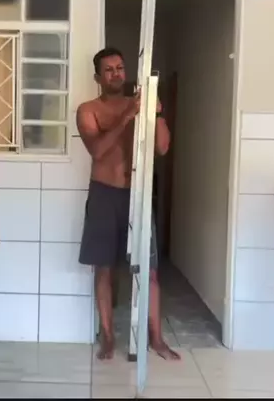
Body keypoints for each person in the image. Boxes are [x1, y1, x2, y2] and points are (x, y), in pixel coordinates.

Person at [76, 47, 178, 361]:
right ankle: (108, 337)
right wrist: (126, 117)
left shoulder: (141, 105)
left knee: (149, 269)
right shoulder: (88, 110)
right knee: (104, 268)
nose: (116, 74)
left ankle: (156, 339)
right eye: (108, 70)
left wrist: (155, 113)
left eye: (119, 68)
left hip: (137, 194)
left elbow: (162, 147)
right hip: (104, 193)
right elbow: (97, 151)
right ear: (98, 77)